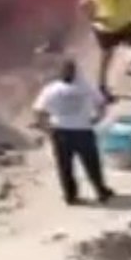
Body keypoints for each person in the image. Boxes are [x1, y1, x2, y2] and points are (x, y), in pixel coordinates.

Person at [32, 58, 115, 205]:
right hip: (83, 130)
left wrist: (46, 128)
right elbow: (101, 104)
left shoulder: (51, 89)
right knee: (92, 164)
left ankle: (70, 196)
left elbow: (37, 110)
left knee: (65, 167)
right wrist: (98, 118)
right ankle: (101, 191)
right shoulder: (86, 87)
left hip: (60, 131)